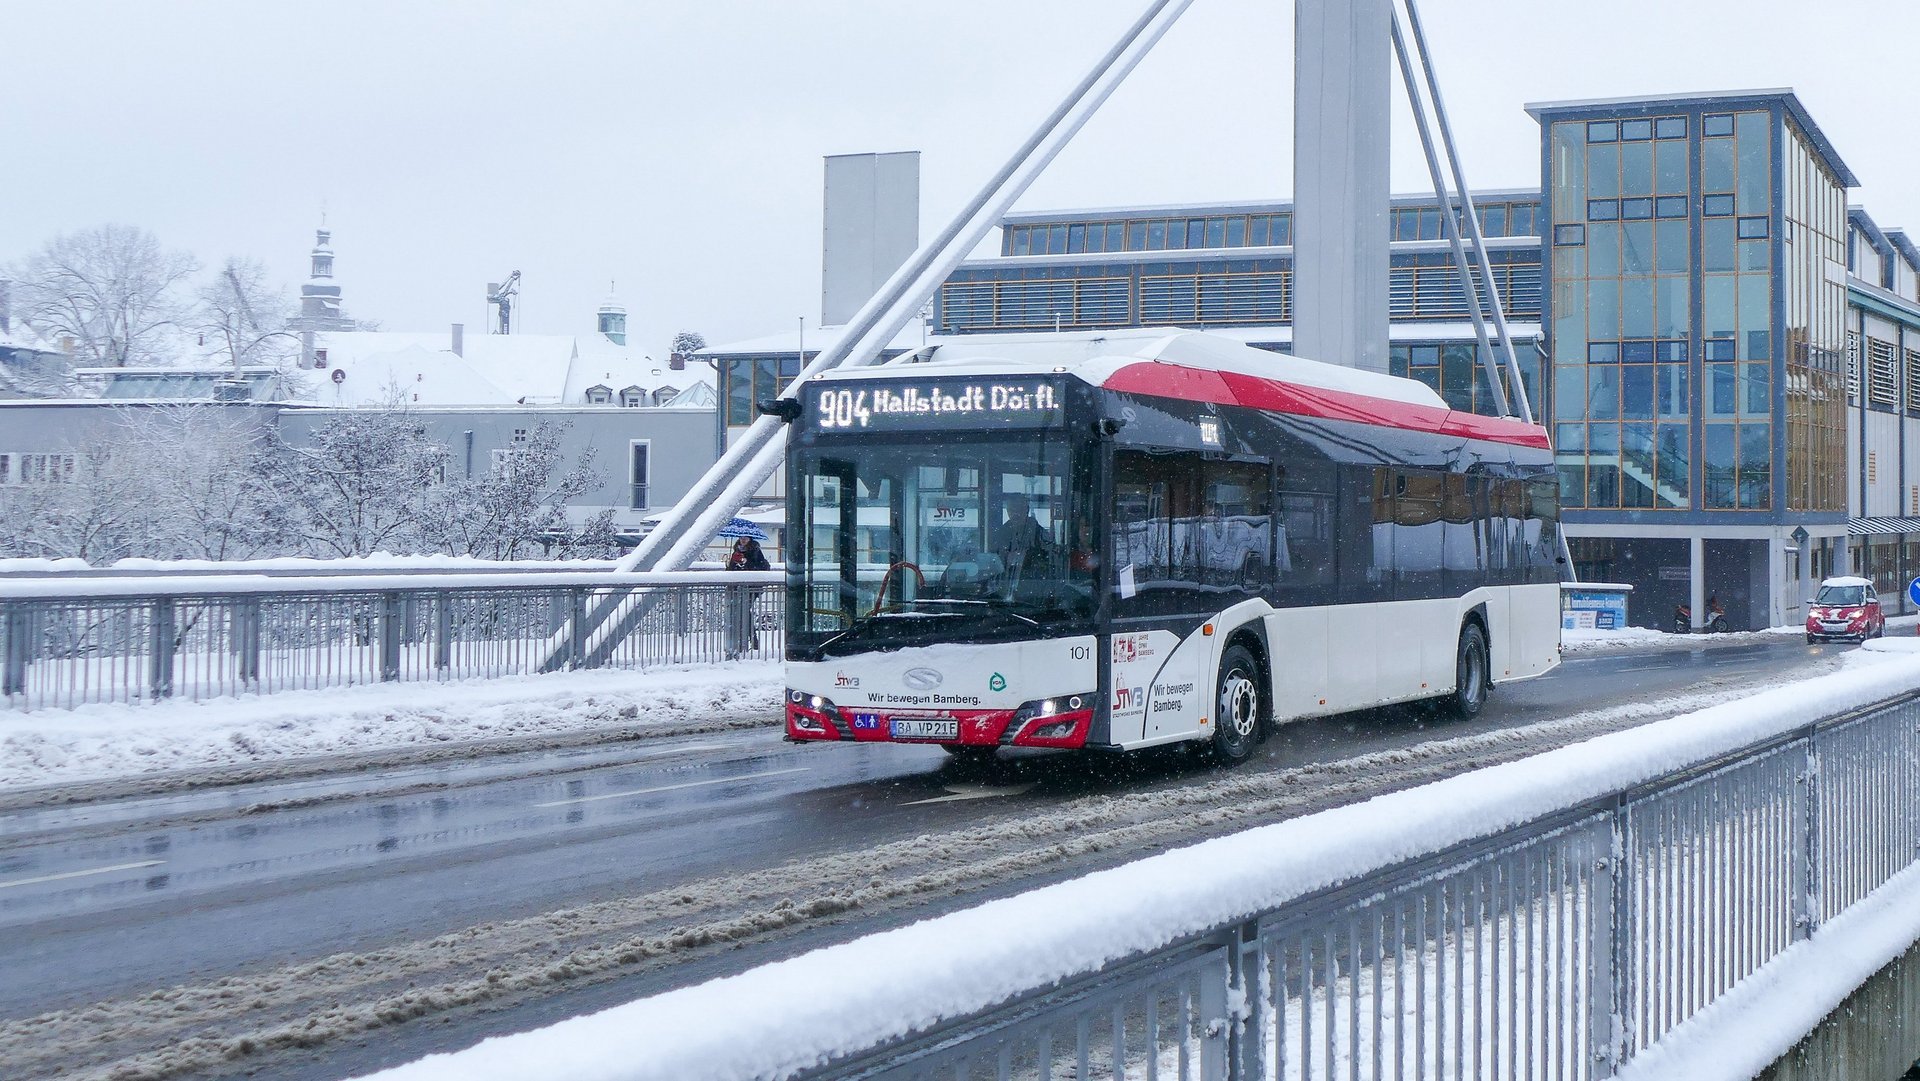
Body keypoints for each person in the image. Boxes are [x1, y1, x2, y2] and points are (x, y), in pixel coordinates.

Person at [992, 494, 1056, 580]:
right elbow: (994, 560)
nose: (1015, 513)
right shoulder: (1001, 533)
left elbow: (1050, 556)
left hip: (1035, 581)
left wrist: (1028, 557)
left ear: (1026, 510)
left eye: (1019, 509)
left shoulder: (1039, 533)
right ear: (1007, 511)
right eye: (1011, 509)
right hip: (1006, 581)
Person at [725, 536, 769, 656]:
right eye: (741, 538)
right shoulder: (736, 551)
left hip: (751, 588)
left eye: (746, 538)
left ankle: (748, 641)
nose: (743, 540)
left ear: (750, 539)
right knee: (741, 612)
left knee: (743, 611)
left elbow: (759, 569)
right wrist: (733, 564)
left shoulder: (755, 550)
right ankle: (750, 640)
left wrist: (746, 562)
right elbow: (731, 570)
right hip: (737, 588)